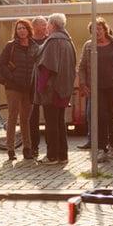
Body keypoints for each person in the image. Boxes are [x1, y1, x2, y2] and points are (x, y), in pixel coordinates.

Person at [76, 18, 113, 160]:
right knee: (100, 117)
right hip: (97, 88)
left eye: (99, 29)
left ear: (104, 29)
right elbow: (82, 67)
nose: (96, 32)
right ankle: (102, 148)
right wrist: (83, 84)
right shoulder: (89, 46)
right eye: (93, 30)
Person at [34, 13, 75, 164]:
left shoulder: (53, 41)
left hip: (52, 90)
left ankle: (52, 156)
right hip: (64, 89)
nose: (46, 27)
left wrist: (40, 87)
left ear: (53, 25)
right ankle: (63, 155)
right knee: (60, 122)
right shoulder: (68, 41)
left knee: (51, 124)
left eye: (48, 24)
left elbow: (47, 68)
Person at [0, 19, 38, 161]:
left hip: (29, 88)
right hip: (13, 87)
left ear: (28, 30)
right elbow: (1, 64)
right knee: (13, 117)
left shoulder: (34, 46)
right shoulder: (11, 46)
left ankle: (27, 149)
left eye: (23, 28)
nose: (21, 31)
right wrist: (11, 77)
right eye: (19, 28)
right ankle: (10, 149)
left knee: (26, 119)